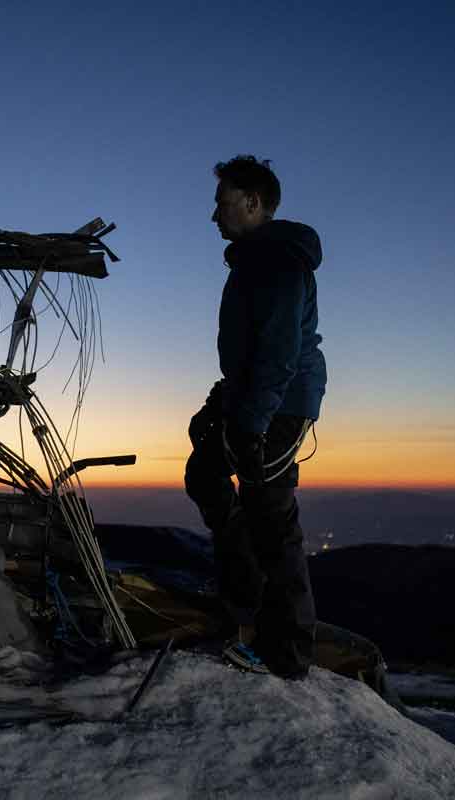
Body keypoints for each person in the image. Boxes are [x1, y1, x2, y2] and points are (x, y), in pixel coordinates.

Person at [185, 155, 326, 678]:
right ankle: (244, 600)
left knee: (271, 514)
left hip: (281, 404)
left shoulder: (277, 261)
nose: (213, 214)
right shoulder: (254, 259)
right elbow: (251, 353)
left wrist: (251, 421)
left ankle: (286, 654)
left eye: (222, 203)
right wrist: (219, 404)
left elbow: (280, 354)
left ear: (253, 203)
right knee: (206, 474)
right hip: (255, 396)